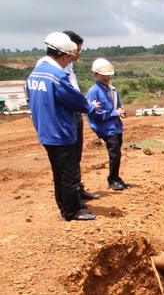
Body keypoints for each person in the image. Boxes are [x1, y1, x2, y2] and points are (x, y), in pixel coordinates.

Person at [26, 32, 100, 221]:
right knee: (69, 173)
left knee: (58, 172)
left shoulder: (37, 72)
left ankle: (64, 207)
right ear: (65, 55)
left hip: (45, 130)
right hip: (60, 130)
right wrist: (90, 107)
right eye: (70, 57)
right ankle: (72, 211)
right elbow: (75, 100)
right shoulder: (57, 75)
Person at [63, 30, 101, 202]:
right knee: (69, 159)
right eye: (77, 50)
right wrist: (87, 106)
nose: (78, 53)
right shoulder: (60, 69)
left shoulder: (69, 67)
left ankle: (78, 189)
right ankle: (72, 198)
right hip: (69, 116)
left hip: (76, 114)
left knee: (76, 155)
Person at [86, 58, 132, 191]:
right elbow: (93, 112)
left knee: (117, 152)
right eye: (103, 76)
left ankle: (116, 178)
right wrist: (114, 114)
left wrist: (121, 112)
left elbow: (117, 107)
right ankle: (112, 180)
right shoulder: (93, 92)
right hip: (105, 128)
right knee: (114, 153)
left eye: (108, 76)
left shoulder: (112, 90)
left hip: (116, 126)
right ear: (95, 75)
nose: (107, 78)